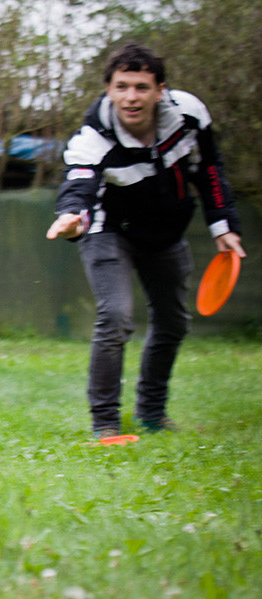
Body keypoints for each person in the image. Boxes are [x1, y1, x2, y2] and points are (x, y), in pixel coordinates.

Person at [46, 43, 245, 439]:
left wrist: (223, 225)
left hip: (165, 233)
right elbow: (79, 185)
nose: (131, 97)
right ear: (108, 89)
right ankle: (105, 425)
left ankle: (151, 415)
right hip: (107, 230)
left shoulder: (188, 115)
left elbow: (208, 167)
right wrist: (70, 215)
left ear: (160, 90)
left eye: (141, 87)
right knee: (116, 316)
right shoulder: (94, 136)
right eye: (121, 87)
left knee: (173, 322)